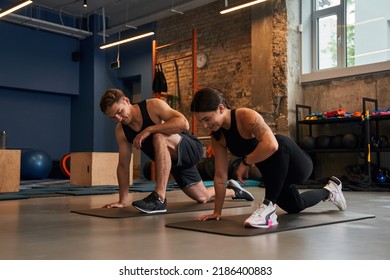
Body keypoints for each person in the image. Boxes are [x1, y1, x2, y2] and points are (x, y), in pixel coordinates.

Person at [190, 87, 347, 228]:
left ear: (221, 108)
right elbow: (220, 176)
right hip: (276, 175)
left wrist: (245, 162)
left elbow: (272, 145)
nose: (205, 126)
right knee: (294, 206)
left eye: (207, 119)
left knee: (278, 142)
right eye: (201, 121)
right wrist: (217, 212)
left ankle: (268, 208)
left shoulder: (245, 116)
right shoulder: (218, 138)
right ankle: (330, 190)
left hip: (296, 164)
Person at [99, 88, 254, 214]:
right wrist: (122, 201)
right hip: (175, 163)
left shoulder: (152, 106)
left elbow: (183, 124)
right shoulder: (122, 131)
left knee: (158, 136)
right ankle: (233, 190)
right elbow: (124, 166)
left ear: (126, 101)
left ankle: (159, 197)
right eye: (113, 117)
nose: (118, 118)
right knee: (202, 197)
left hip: (189, 147)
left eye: (119, 112)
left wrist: (149, 129)